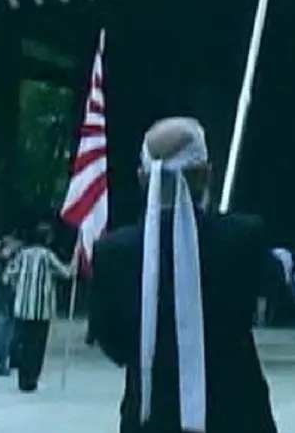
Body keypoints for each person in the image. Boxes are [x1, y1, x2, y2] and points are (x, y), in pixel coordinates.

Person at [89, 117, 279, 433]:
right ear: (205, 175)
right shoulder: (244, 237)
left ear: (141, 178)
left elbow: (115, 344)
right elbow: (268, 294)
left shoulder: (113, 252)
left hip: (151, 418)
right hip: (237, 414)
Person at [6, 222, 74, 392]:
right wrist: (74, 264)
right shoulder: (47, 256)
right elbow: (66, 273)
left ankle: (22, 377)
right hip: (41, 310)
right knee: (37, 346)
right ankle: (31, 379)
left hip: (22, 307)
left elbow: (8, 276)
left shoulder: (22, 254)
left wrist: (18, 287)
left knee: (24, 342)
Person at [0, 232, 22, 377]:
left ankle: (1, 362)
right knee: (3, 335)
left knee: (6, 334)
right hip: (4, 302)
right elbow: (4, 281)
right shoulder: (0, 263)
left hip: (4, 302)